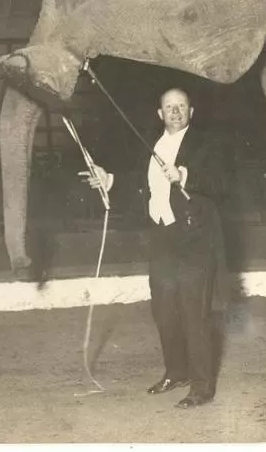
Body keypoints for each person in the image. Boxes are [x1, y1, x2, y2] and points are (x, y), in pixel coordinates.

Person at [84, 88, 227, 408]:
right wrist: (110, 180)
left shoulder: (206, 144)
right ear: (159, 114)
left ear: (192, 112)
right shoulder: (151, 144)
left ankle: (202, 385)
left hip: (195, 238)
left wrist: (185, 175)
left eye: (181, 106)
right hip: (162, 235)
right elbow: (141, 183)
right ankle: (177, 372)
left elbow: (221, 181)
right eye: (168, 107)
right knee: (164, 310)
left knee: (194, 312)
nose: (175, 111)